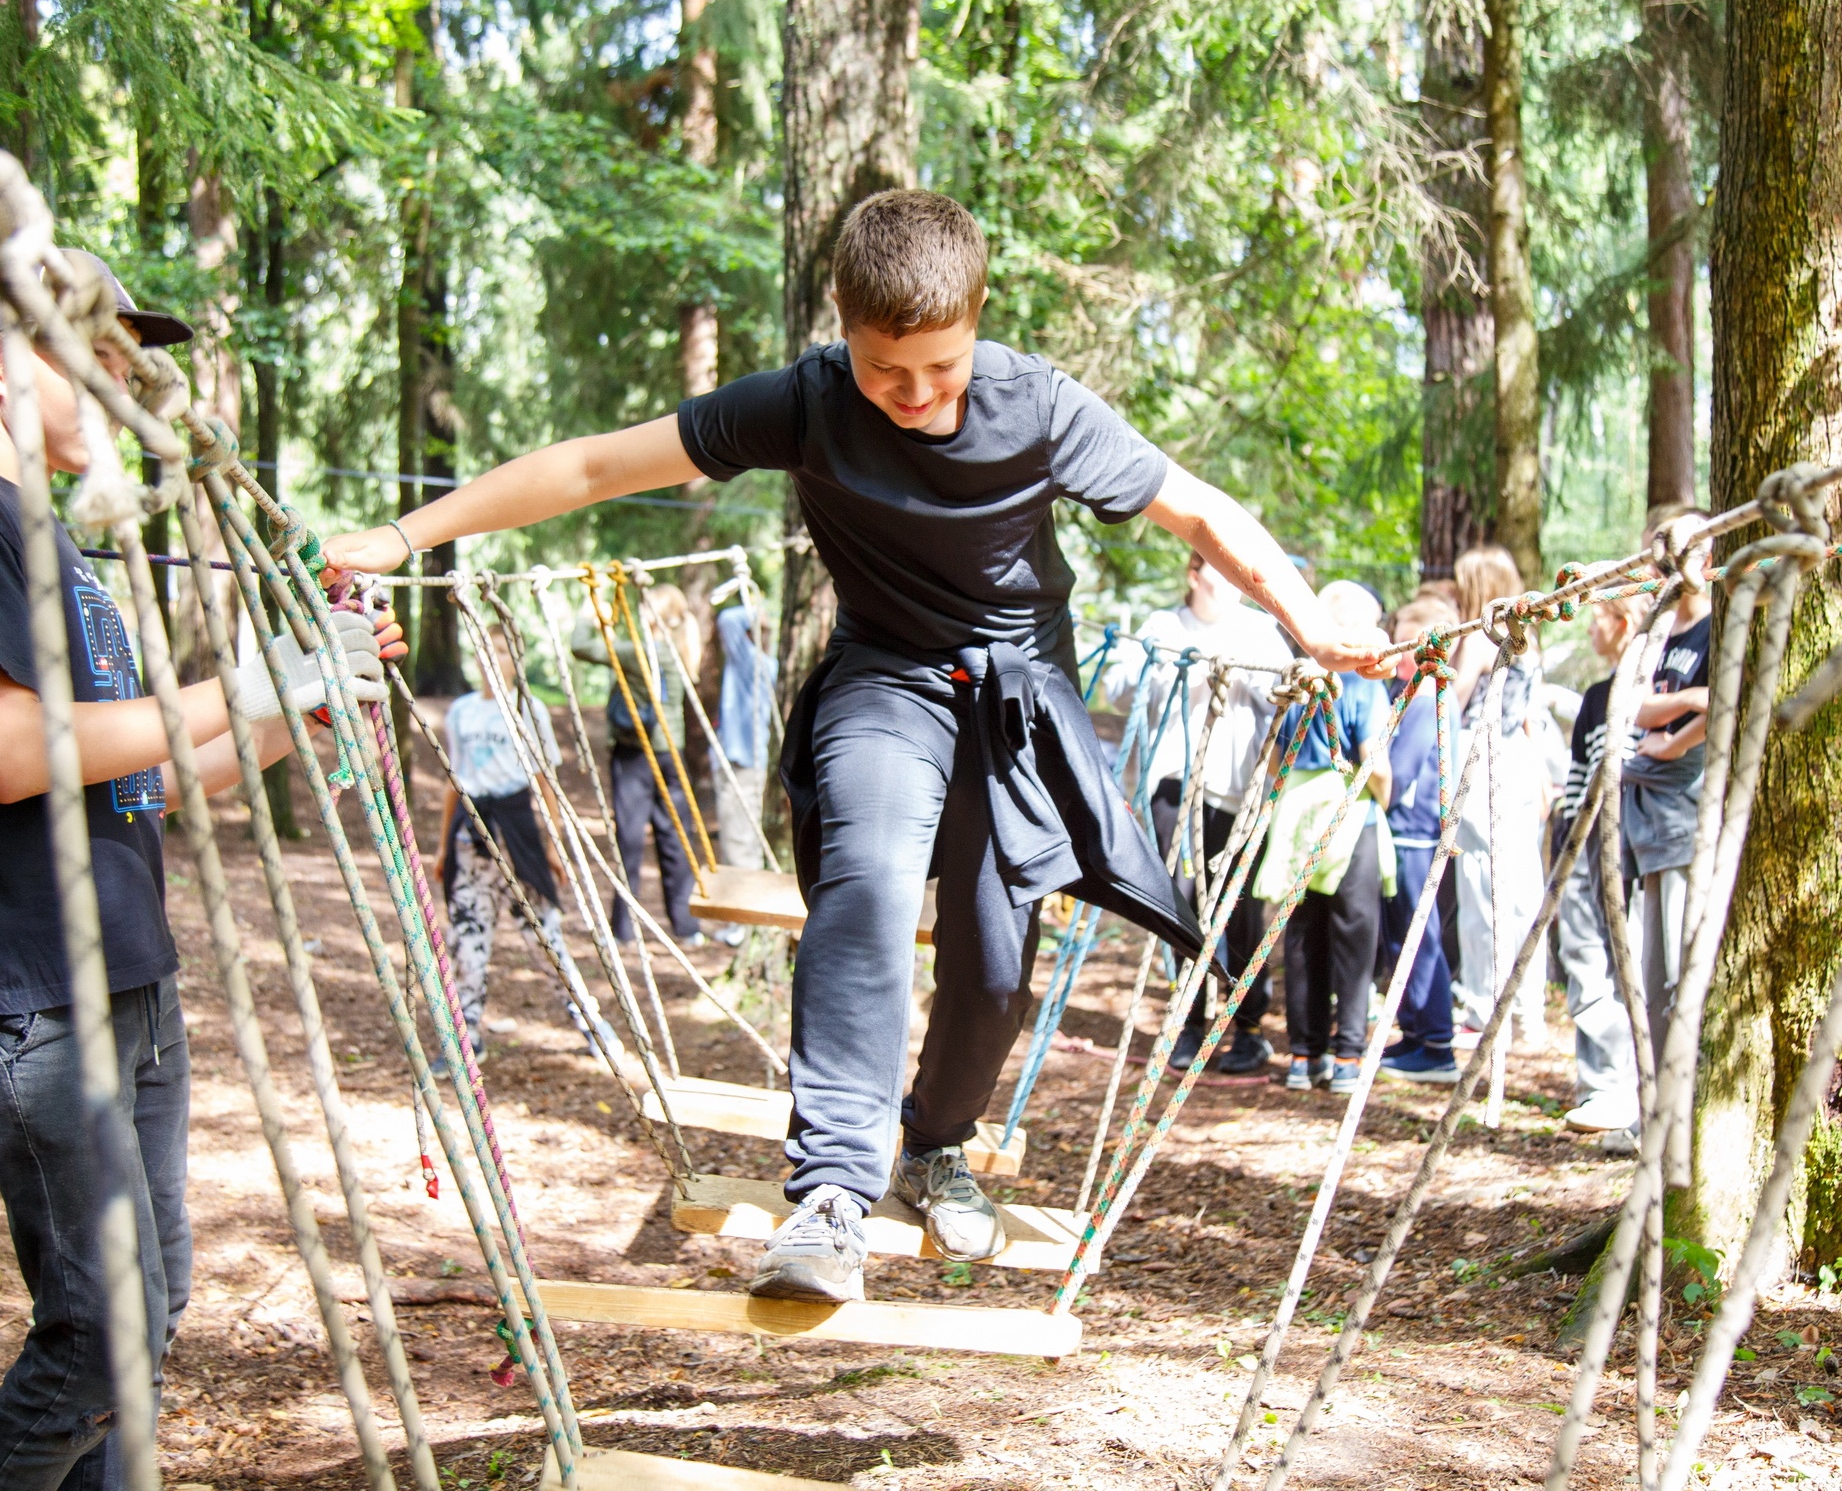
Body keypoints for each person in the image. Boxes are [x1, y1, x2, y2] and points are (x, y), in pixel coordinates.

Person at [319, 189, 1388, 1303]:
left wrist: (1309, 620)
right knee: (867, 888)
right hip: (885, 678)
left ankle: (934, 1144)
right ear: (844, 333)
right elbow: (594, 467)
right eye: (889, 370)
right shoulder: (809, 403)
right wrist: (406, 534)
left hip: (1018, 700)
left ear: (978, 321)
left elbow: (1200, 512)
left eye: (943, 365)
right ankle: (829, 1193)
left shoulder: (1041, 406)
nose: (918, 394)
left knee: (993, 960)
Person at [0, 255, 395, 1491]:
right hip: (29, 993)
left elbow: (152, 775)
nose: (119, 386)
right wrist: (238, 685)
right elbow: (3, 754)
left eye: (123, 363)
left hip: (125, 980)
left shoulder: (55, 540)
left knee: (144, 1321)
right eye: (88, 359)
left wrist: (294, 706)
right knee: (101, 1336)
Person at [1101, 550, 1291, 1075]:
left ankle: (1250, 1026)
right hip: (1177, 789)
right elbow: (1119, 692)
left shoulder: (1258, 631)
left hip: (1241, 791)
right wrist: (1165, 668)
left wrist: (1250, 679)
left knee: (1241, 907)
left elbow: (1284, 693)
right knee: (1182, 907)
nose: (1231, 584)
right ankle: (1189, 1022)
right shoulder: (1162, 626)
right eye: (1219, 573)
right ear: (1193, 574)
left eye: (1238, 575)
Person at [1259, 582, 1395, 1094]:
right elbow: (1375, 763)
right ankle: (1348, 1056)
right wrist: (1385, 795)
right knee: (1354, 938)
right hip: (1347, 812)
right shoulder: (1362, 685)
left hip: (1297, 815)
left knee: (1301, 937)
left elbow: (1276, 761)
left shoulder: (1296, 681)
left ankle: (1303, 1053)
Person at [1618, 509, 1712, 1156]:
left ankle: (1684, 1115)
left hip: (1692, 810)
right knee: (1653, 976)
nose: (1664, 563)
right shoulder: (1658, 628)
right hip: (1645, 814)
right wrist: (1687, 705)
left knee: (1680, 973)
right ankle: (1657, 1112)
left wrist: (1677, 733)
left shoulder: (1720, 622)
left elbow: (1725, 698)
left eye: (1676, 550)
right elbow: (1633, 701)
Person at [431, 667, 574, 1074]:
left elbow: (546, 781)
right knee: (466, 936)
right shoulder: (461, 711)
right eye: (484, 653)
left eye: (500, 654)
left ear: (514, 662)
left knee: (544, 934)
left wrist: (554, 844)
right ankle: (465, 1036)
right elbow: (452, 780)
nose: (492, 663)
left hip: (517, 833)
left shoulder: (529, 710)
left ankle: (589, 1023)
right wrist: (443, 846)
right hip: (469, 832)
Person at [1448, 545, 1555, 1044]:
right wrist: (1541, 779)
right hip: (1515, 758)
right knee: (1521, 885)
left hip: (1481, 753)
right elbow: (1532, 717)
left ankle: (1482, 1007)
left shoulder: (1476, 641)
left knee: (1480, 883)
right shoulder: (1529, 640)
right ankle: (1526, 1007)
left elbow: (1453, 703)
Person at [1553, 593, 1649, 1134]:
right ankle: (1601, 1086)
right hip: (1584, 845)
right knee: (1584, 956)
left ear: (1625, 623)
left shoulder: (1648, 695)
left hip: (1630, 843)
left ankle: (1627, 1086)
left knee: (1626, 957)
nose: (1590, 633)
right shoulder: (1596, 697)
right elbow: (1576, 780)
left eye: (1597, 622)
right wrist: (1566, 841)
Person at [570, 582, 708, 945]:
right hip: (671, 755)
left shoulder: (641, 652)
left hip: (637, 756)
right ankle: (686, 925)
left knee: (629, 839)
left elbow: (581, 646)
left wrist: (591, 609)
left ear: (652, 615)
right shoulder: (680, 651)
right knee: (675, 838)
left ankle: (623, 927)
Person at [1376, 594, 1462, 1084]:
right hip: (1407, 836)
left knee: (1417, 938)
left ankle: (1436, 1043)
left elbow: (1400, 772)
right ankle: (1413, 1031)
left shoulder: (1424, 701)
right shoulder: (1417, 699)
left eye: (1403, 641)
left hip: (1412, 836)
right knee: (1400, 936)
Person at [711, 581, 779, 876]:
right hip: (740, 761)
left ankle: (741, 922)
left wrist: (756, 610)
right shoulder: (756, 664)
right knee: (738, 838)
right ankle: (742, 920)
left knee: (739, 841)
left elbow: (727, 620)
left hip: (743, 763)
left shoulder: (752, 662)